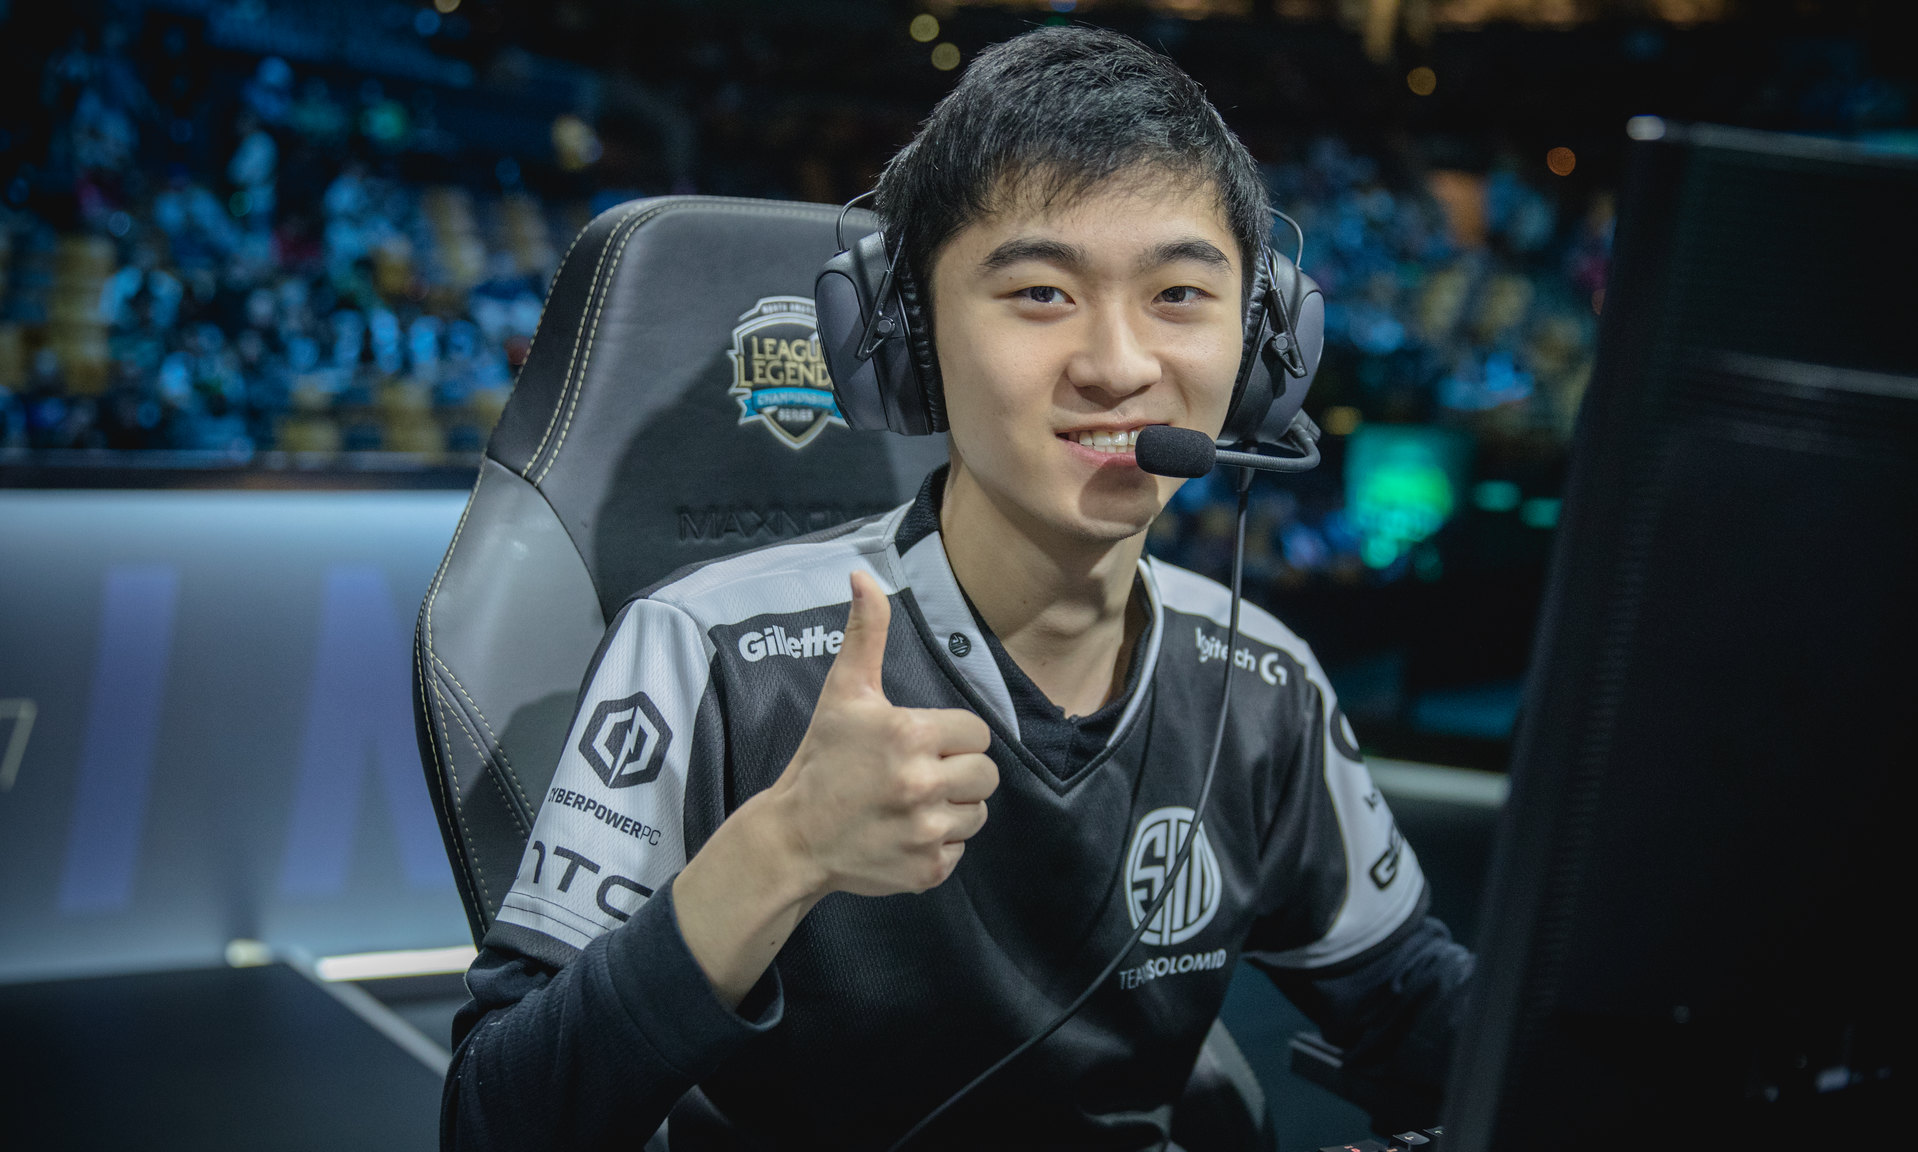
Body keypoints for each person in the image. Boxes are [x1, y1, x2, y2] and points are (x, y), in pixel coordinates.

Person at [445, 26, 1470, 1152]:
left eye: (1179, 294)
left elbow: (1416, 1007)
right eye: (1040, 292)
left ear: (1265, 346)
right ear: (906, 341)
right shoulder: (708, 655)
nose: (1118, 366)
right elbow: (497, 1121)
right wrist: (781, 851)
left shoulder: (1265, 683)